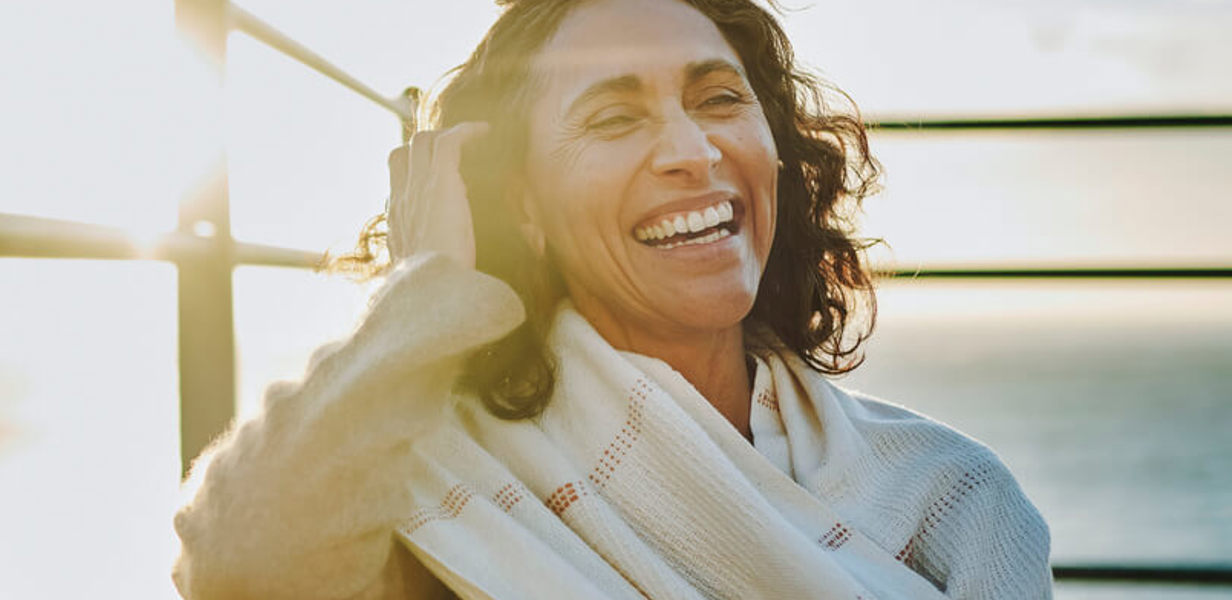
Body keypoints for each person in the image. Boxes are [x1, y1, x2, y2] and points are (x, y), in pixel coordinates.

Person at [173, 0, 1053, 596]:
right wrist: (421, 293)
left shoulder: (954, 496)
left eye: (717, 99)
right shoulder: (431, 479)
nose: (693, 151)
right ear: (523, 203)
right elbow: (238, 565)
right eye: (614, 117)